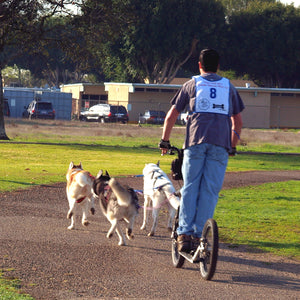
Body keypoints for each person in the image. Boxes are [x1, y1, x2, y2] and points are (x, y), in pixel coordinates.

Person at [159, 48, 244, 252]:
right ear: (218, 66)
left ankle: (184, 233)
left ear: (199, 65)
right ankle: (199, 235)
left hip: (195, 143)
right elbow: (238, 122)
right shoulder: (229, 87)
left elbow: (171, 115)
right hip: (220, 146)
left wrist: (164, 140)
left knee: (190, 187)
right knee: (210, 191)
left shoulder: (191, 84)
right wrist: (232, 145)